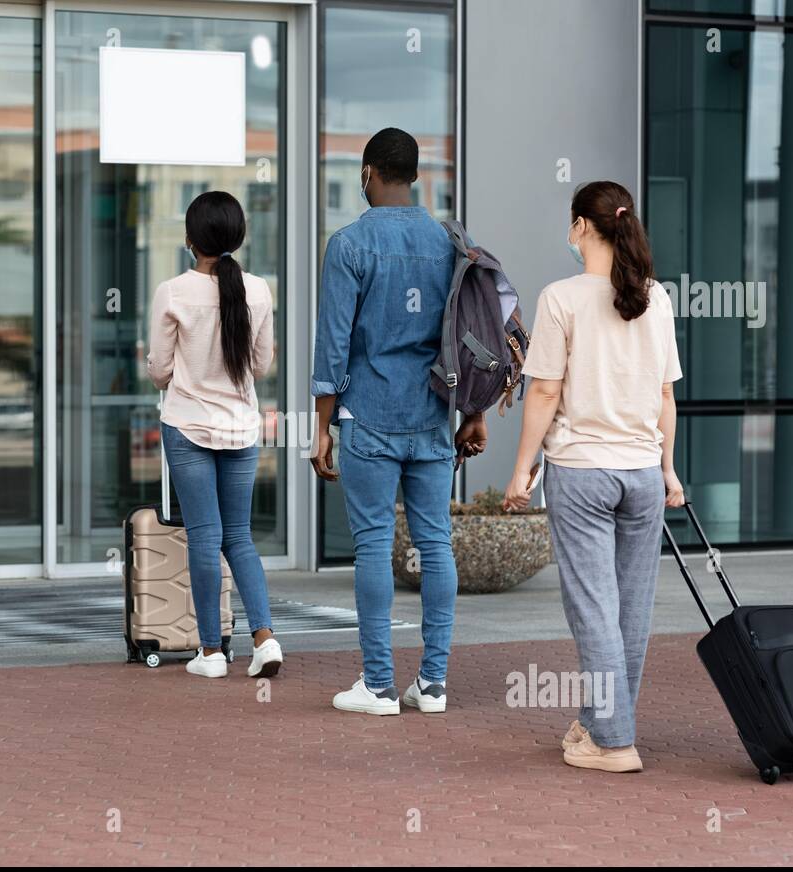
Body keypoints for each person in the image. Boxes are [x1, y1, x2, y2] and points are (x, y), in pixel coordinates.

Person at [503, 180, 685, 772]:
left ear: (582, 225)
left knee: (594, 609)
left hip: (583, 471)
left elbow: (545, 391)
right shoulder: (655, 298)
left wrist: (521, 469)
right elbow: (664, 396)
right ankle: (605, 724)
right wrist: (668, 469)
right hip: (641, 474)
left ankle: (613, 742)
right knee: (630, 609)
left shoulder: (561, 297)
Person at [311, 128, 488, 715]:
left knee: (372, 546)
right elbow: (472, 334)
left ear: (368, 174)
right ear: (412, 176)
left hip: (370, 416)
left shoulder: (350, 245)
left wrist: (320, 427)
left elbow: (333, 348)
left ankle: (379, 683)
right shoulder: (449, 242)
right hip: (435, 415)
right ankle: (432, 684)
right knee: (435, 544)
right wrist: (475, 412)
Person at [146, 190, 282, 680]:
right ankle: (264, 638)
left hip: (187, 426)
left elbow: (160, 370)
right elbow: (262, 365)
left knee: (204, 537)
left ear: (189, 239)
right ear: (238, 236)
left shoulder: (173, 291)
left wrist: (170, 370)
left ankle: (211, 652)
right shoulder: (260, 290)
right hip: (241, 428)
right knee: (239, 537)